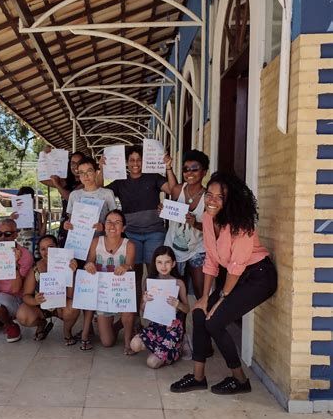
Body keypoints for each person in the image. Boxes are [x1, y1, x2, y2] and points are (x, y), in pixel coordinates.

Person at [170, 172, 278, 395]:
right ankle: (198, 376)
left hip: (258, 277)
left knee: (215, 321)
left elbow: (237, 267)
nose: (212, 201)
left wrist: (220, 300)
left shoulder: (241, 225)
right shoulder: (209, 219)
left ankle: (240, 380)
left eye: (220, 197)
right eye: (209, 195)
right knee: (200, 313)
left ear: (230, 200)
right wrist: (204, 297)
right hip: (235, 275)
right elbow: (211, 259)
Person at [98, 145, 177, 303]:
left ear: (144, 161)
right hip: (131, 234)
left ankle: (155, 315)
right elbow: (100, 190)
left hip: (155, 232)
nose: (136, 163)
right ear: (126, 163)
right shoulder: (120, 182)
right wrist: (101, 168)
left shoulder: (153, 177)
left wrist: (169, 168)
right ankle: (135, 319)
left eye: (139, 160)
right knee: (134, 276)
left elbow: (172, 190)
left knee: (155, 274)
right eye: (132, 160)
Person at [80, 210, 136, 353]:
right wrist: (88, 265)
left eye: (117, 223)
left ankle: (127, 342)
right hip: (102, 295)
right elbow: (88, 262)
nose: (112, 226)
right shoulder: (95, 242)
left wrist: (126, 266)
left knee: (129, 309)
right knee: (107, 342)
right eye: (109, 222)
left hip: (120, 293)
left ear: (123, 228)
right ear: (104, 225)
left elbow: (130, 266)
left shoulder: (129, 245)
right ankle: (117, 325)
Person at [130, 246, 189, 368]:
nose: (163, 266)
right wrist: (145, 301)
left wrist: (178, 304)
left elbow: (187, 309)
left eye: (167, 262)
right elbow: (142, 309)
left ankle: (178, 347)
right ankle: (161, 349)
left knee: (152, 363)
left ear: (173, 264)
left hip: (172, 329)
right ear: (155, 263)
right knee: (134, 345)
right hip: (156, 326)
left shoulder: (178, 283)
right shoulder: (149, 281)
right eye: (160, 262)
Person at [16, 235, 80, 345]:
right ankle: (41, 323)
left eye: (50, 247)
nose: (47, 252)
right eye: (43, 249)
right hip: (40, 307)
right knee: (22, 315)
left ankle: (67, 331)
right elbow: (26, 295)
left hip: (60, 306)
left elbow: (71, 295)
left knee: (73, 307)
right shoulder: (35, 269)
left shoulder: (67, 265)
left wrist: (72, 273)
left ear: (57, 247)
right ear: (39, 251)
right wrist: (35, 301)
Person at [164, 150, 210, 299]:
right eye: (185, 169)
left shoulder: (208, 198)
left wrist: (195, 224)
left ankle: (201, 321)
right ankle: (178, 323)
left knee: (200, 290)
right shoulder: (178, 190)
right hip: (173, 247)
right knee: (176, 291)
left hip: (197, 248)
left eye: (195, 169)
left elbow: (213, 229)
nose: (189, 173)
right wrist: (163, 210)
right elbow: (171, 205)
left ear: (204, 172)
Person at [40, 150, 84, 246]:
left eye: (79, 163)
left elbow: (70, 197)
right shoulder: (65, 182)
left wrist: (57, 184)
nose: (75, 166)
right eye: (73, 163)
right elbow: (43, 179)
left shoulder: (86, 182)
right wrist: (46, 156)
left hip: (82, 224)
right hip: (65, 223)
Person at [64, 156, 117, 237]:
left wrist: (103, 227)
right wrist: (68, 225)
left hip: (102, 241)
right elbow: (71, 219)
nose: (85, 175)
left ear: (96, 173)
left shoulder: (107, 194)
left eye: (89, 171)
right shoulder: (74, 195)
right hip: (80, 241)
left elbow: (115, 219)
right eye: (81, 172)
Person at [10, 186, 47, 257]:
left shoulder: (37, 214)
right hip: (20, 251)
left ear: (32, 199)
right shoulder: (14, 215)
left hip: (34, 250)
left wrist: (45, 220)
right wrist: (11, 219)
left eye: (28, 198)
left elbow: (42, 234)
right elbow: (9, 233)